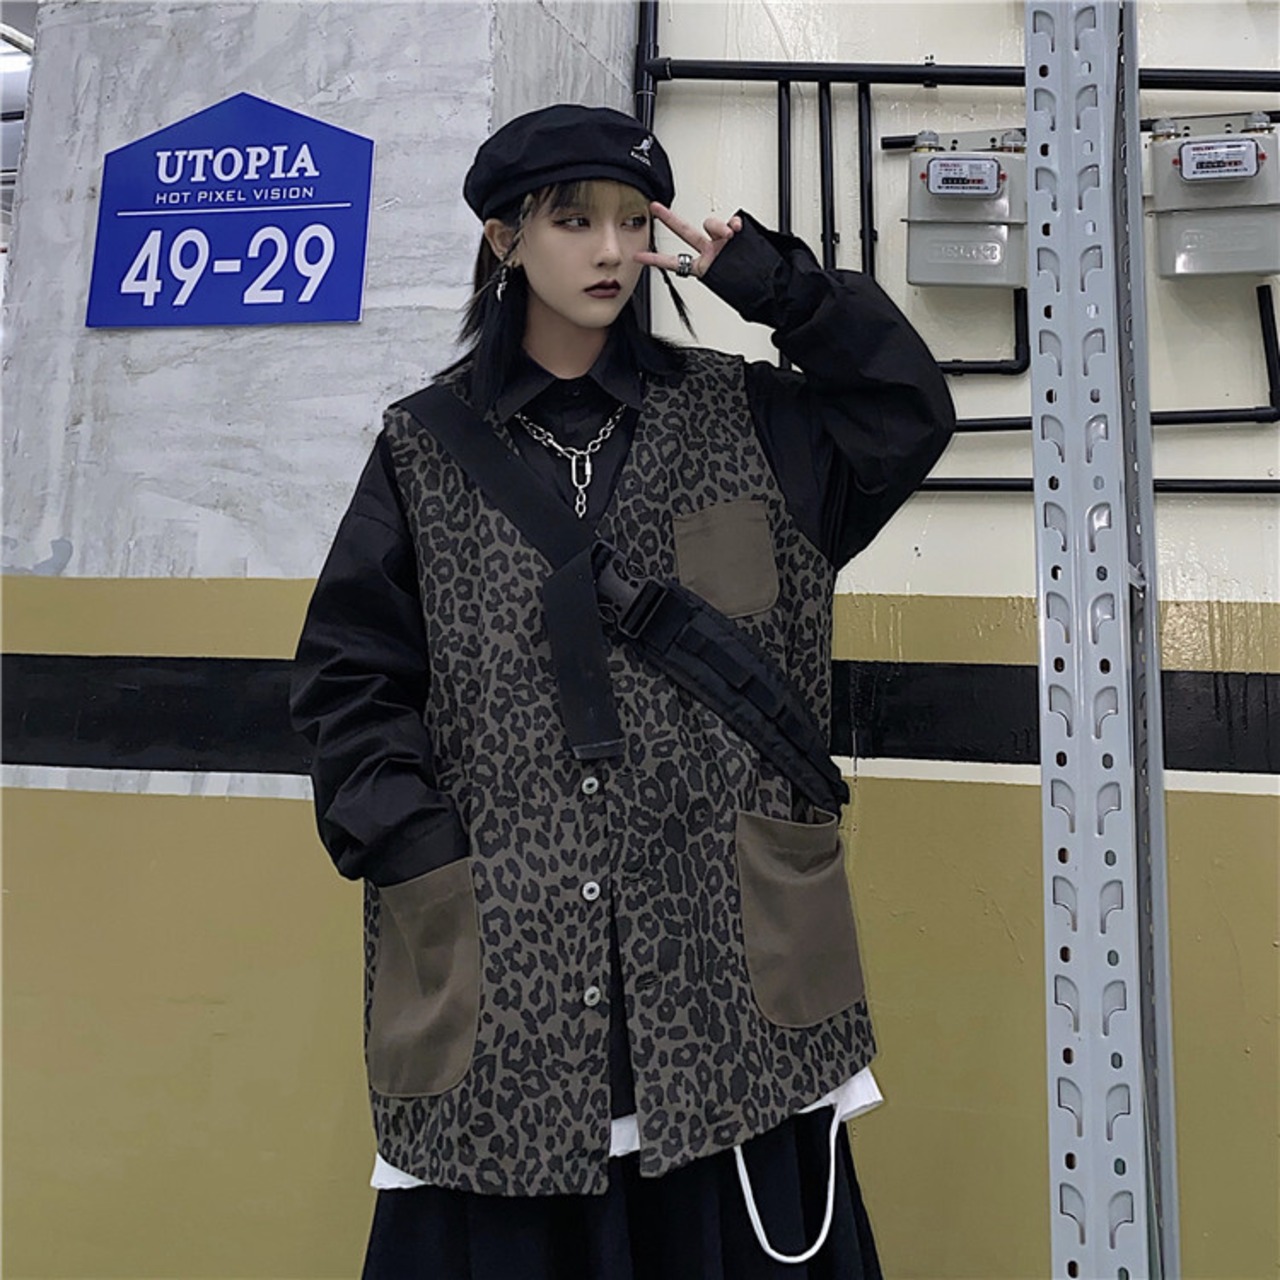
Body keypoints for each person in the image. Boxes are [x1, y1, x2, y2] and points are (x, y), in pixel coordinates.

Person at [290, 103, 955, 1279]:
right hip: (506, 998)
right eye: (571, 220)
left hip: (733, 987)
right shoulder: (423, 450)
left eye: (629, 219)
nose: (609, 249)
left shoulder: (750, 418)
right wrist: (423, 854)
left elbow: (904, 408)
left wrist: (775, 286)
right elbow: (350, 680)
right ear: (503, 239)